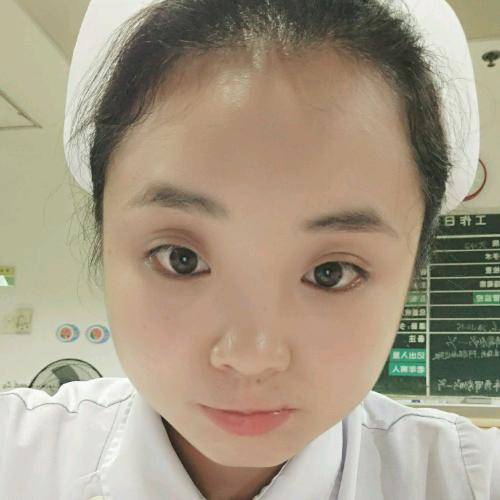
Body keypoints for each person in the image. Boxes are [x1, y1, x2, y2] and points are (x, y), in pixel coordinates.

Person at [0, 0, 497, 499]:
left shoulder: (466, 479)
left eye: (332, 272)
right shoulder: (18, 458)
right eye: (181, 260)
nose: (251, 357)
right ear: (103, 240)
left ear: (412, 270)